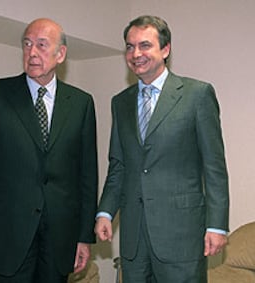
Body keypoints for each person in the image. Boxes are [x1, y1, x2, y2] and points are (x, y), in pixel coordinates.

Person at [0, 18, 98, 283]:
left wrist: (84, 237)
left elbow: (87, 174)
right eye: (27, 44)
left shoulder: (81, 103)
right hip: (7, 235)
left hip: (59, 238)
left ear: (61, 54)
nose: (32, 52)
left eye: (41, 45)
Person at [95, 15, 229, 283]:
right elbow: (118, 164)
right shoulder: (120, 102)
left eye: (145, 45)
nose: (136, 54)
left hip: (181, 235)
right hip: (134, 237)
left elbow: (214, 166)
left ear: (165, 50)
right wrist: (105, 211)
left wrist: (217, 225)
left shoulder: (197, 95)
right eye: (130, 47)